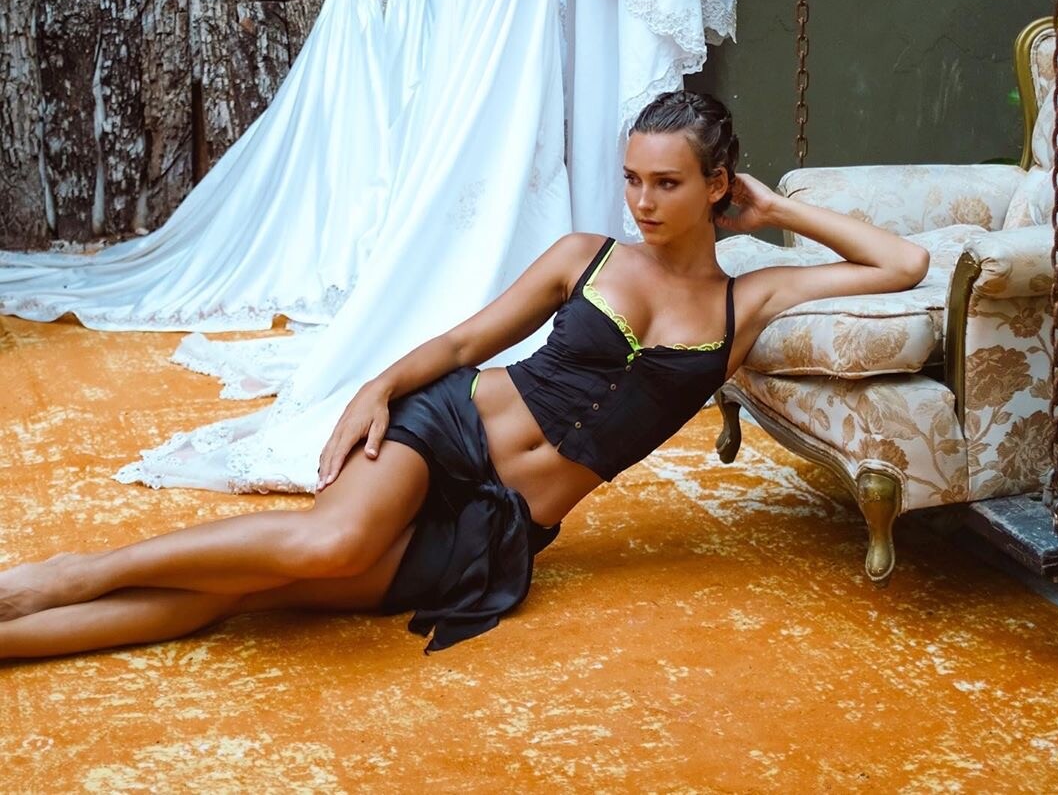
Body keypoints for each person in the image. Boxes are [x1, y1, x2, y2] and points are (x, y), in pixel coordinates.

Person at [0, 92, 929, 661]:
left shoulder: (747, 302)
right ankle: (63, 576)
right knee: (328, 544)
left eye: (668, 183)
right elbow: (460, 345)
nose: (642, 201)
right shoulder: (587, 255)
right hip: (446, 430)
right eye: (632, 178)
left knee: (242, 596)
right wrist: (375, 391)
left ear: (717, 184)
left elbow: (903, 263)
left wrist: (775, 210)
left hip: (499, 527)